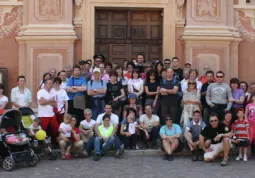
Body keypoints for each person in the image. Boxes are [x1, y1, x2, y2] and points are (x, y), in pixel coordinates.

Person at [37, 78, 59, 148]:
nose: (51, 85)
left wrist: (45, 101)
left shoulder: (53, 92)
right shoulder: (40, 92)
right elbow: (41, 102)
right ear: (45, 84)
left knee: (55, 129)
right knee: (42, 131)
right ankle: (41, 145)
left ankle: (54, 143)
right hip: (43, 115)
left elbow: (55, 104)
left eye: (52, 83)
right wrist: (50, 101)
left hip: (51, 114)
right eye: (49, 83)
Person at [245, 93, 255, 158]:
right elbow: (246, 114)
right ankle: (247, 154)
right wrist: (246, 121)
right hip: (250, 124)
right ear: (251, 98)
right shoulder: (248, 105)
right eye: (254, 97)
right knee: (249, 138)